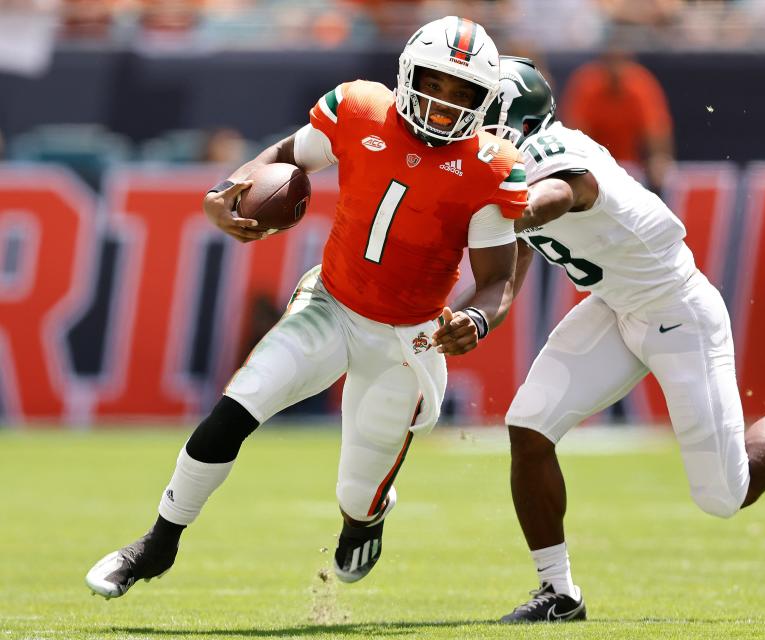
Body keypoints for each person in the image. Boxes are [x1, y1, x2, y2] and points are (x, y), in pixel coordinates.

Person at [85, 16, 528, 599]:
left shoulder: (491, 167)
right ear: (406, 75)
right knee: (235, 410)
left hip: (406, 337)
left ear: (484, 99)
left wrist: (475, 318)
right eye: (434, 82)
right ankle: (158, 542)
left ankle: (364, 518)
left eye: (462, 91)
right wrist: (230, 191)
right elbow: (287, 153)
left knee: (356, 493)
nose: (444, 102)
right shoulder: (361, 109)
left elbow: (498, 278)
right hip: (331, 303)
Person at [482, 57, 765, 623]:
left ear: (511, 118)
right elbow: (506, 278)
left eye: (474, 108)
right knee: (528, 426)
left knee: (727, 494)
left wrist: (491, 212)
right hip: (616, 305)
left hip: (677, 310)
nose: (462, 121)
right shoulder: (507, 180)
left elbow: (559, 196)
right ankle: (560, 594)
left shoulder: (554, 154)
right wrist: (474, 319)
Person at [561, 48, 674, 194]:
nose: (616, 69)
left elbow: (657, 130)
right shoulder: (587, 84)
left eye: (621, 62)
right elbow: (575, 132)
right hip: (596, 165)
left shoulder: (641, 84)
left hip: (634, 168)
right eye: (612, 62)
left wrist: (658, 159)